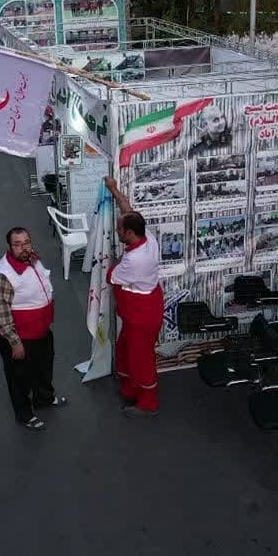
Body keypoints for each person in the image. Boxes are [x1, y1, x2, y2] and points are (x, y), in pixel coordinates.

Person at [0, 227, 67, 430]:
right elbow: (1, 314)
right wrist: (15, 343)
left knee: (44, 367)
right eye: (17, 244)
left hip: (41, 331)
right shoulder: (3, 275)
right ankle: (24, 414)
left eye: (27, 242)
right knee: (19, 378)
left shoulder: (31, 258)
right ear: (9, 247)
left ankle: (44, 398)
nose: (24, 248)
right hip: (21, 337)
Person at [104, 175, 165, 418]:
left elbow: (111, 277)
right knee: (125, 349)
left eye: (119, 229)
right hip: (139, 312)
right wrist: (114, 188)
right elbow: (127, 208)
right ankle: (130, 388)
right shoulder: (147, 236)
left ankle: (148, 403)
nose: (116, 231)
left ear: (129, 233)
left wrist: (114, 262)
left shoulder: (134, 260)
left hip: (141, 315)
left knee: (141, 358)